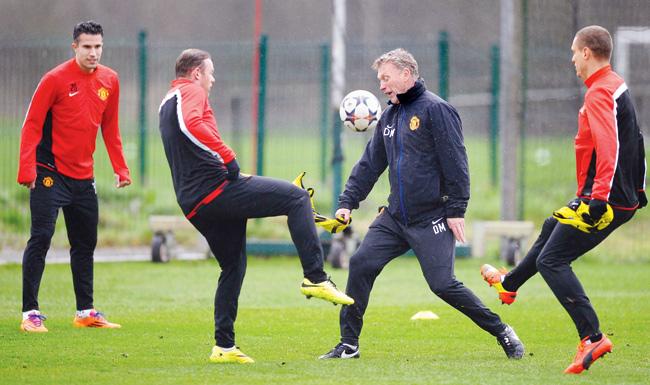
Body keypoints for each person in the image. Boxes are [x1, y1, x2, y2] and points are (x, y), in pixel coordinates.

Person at [319, 48, 524, 360]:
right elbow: (370, 164)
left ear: (406, 74)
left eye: (386, 78)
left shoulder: (436, 110)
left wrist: (456, 209)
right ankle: (349, 344)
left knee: (442, 284)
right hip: (395, 218)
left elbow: (456, 161)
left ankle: (502, 331)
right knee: (360, 264)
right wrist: (348, 202)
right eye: (379, 79)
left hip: (432, 218)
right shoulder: (388, 116)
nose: (382, 85)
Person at [158, 48, 354, 364]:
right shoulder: (190, 92)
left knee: (233, 267)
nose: (213, 79)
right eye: (210, 72)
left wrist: (233, 170)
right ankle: (315, 277)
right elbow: (195, 126)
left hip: (196, 202)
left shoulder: (167, 102)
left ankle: (223, 346)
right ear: (196, 73)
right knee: (296, 198)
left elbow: (193, 147)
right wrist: (229, 157)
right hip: (215, 191)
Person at [481, 25, 646, 374]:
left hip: (604, 199)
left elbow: (611, 147)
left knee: (552, 261)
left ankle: (592, 337)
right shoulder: (615, 85)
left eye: (574, 51)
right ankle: (509, 285)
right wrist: (640, 188)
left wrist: (600, 198)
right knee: (551, 226)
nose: (572, 58)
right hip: (615, 196)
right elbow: (637, 137)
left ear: (587, 52)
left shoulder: (600, 92)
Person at [17, 21, 131, 333]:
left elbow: (110, 127)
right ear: (75, 47)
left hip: (84, 177)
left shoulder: (111, 80)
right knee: (41, 238)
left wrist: (121, 168)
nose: (93, 53)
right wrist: (27, 169)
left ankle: (85, 311)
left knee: (85, 244)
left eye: (98, 47)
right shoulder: (54, 79)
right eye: (87, 47)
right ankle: (30, 313)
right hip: (49, 173)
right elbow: (32, 125)